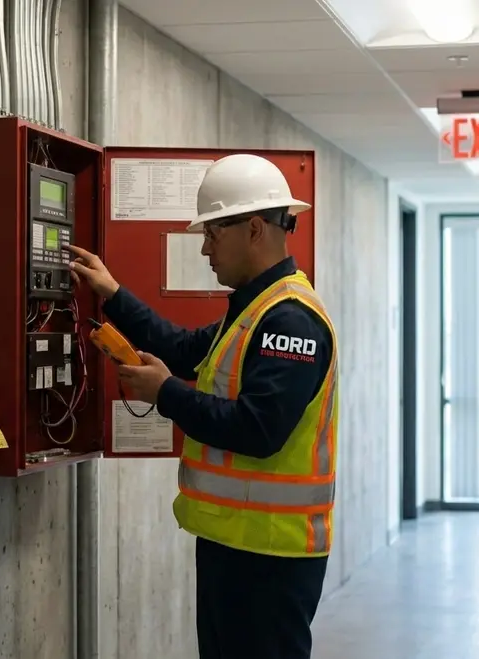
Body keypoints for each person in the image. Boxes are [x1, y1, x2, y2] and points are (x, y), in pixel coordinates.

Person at [65, 153, 339, 659]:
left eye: (213, 233)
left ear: (254, 228)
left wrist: (165, 393)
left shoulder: (289, 321)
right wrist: (113, 294)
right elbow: (186, 350)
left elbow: (259, 431)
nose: (205, 248)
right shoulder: (255, 309)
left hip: (269, 554)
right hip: (236, 543)